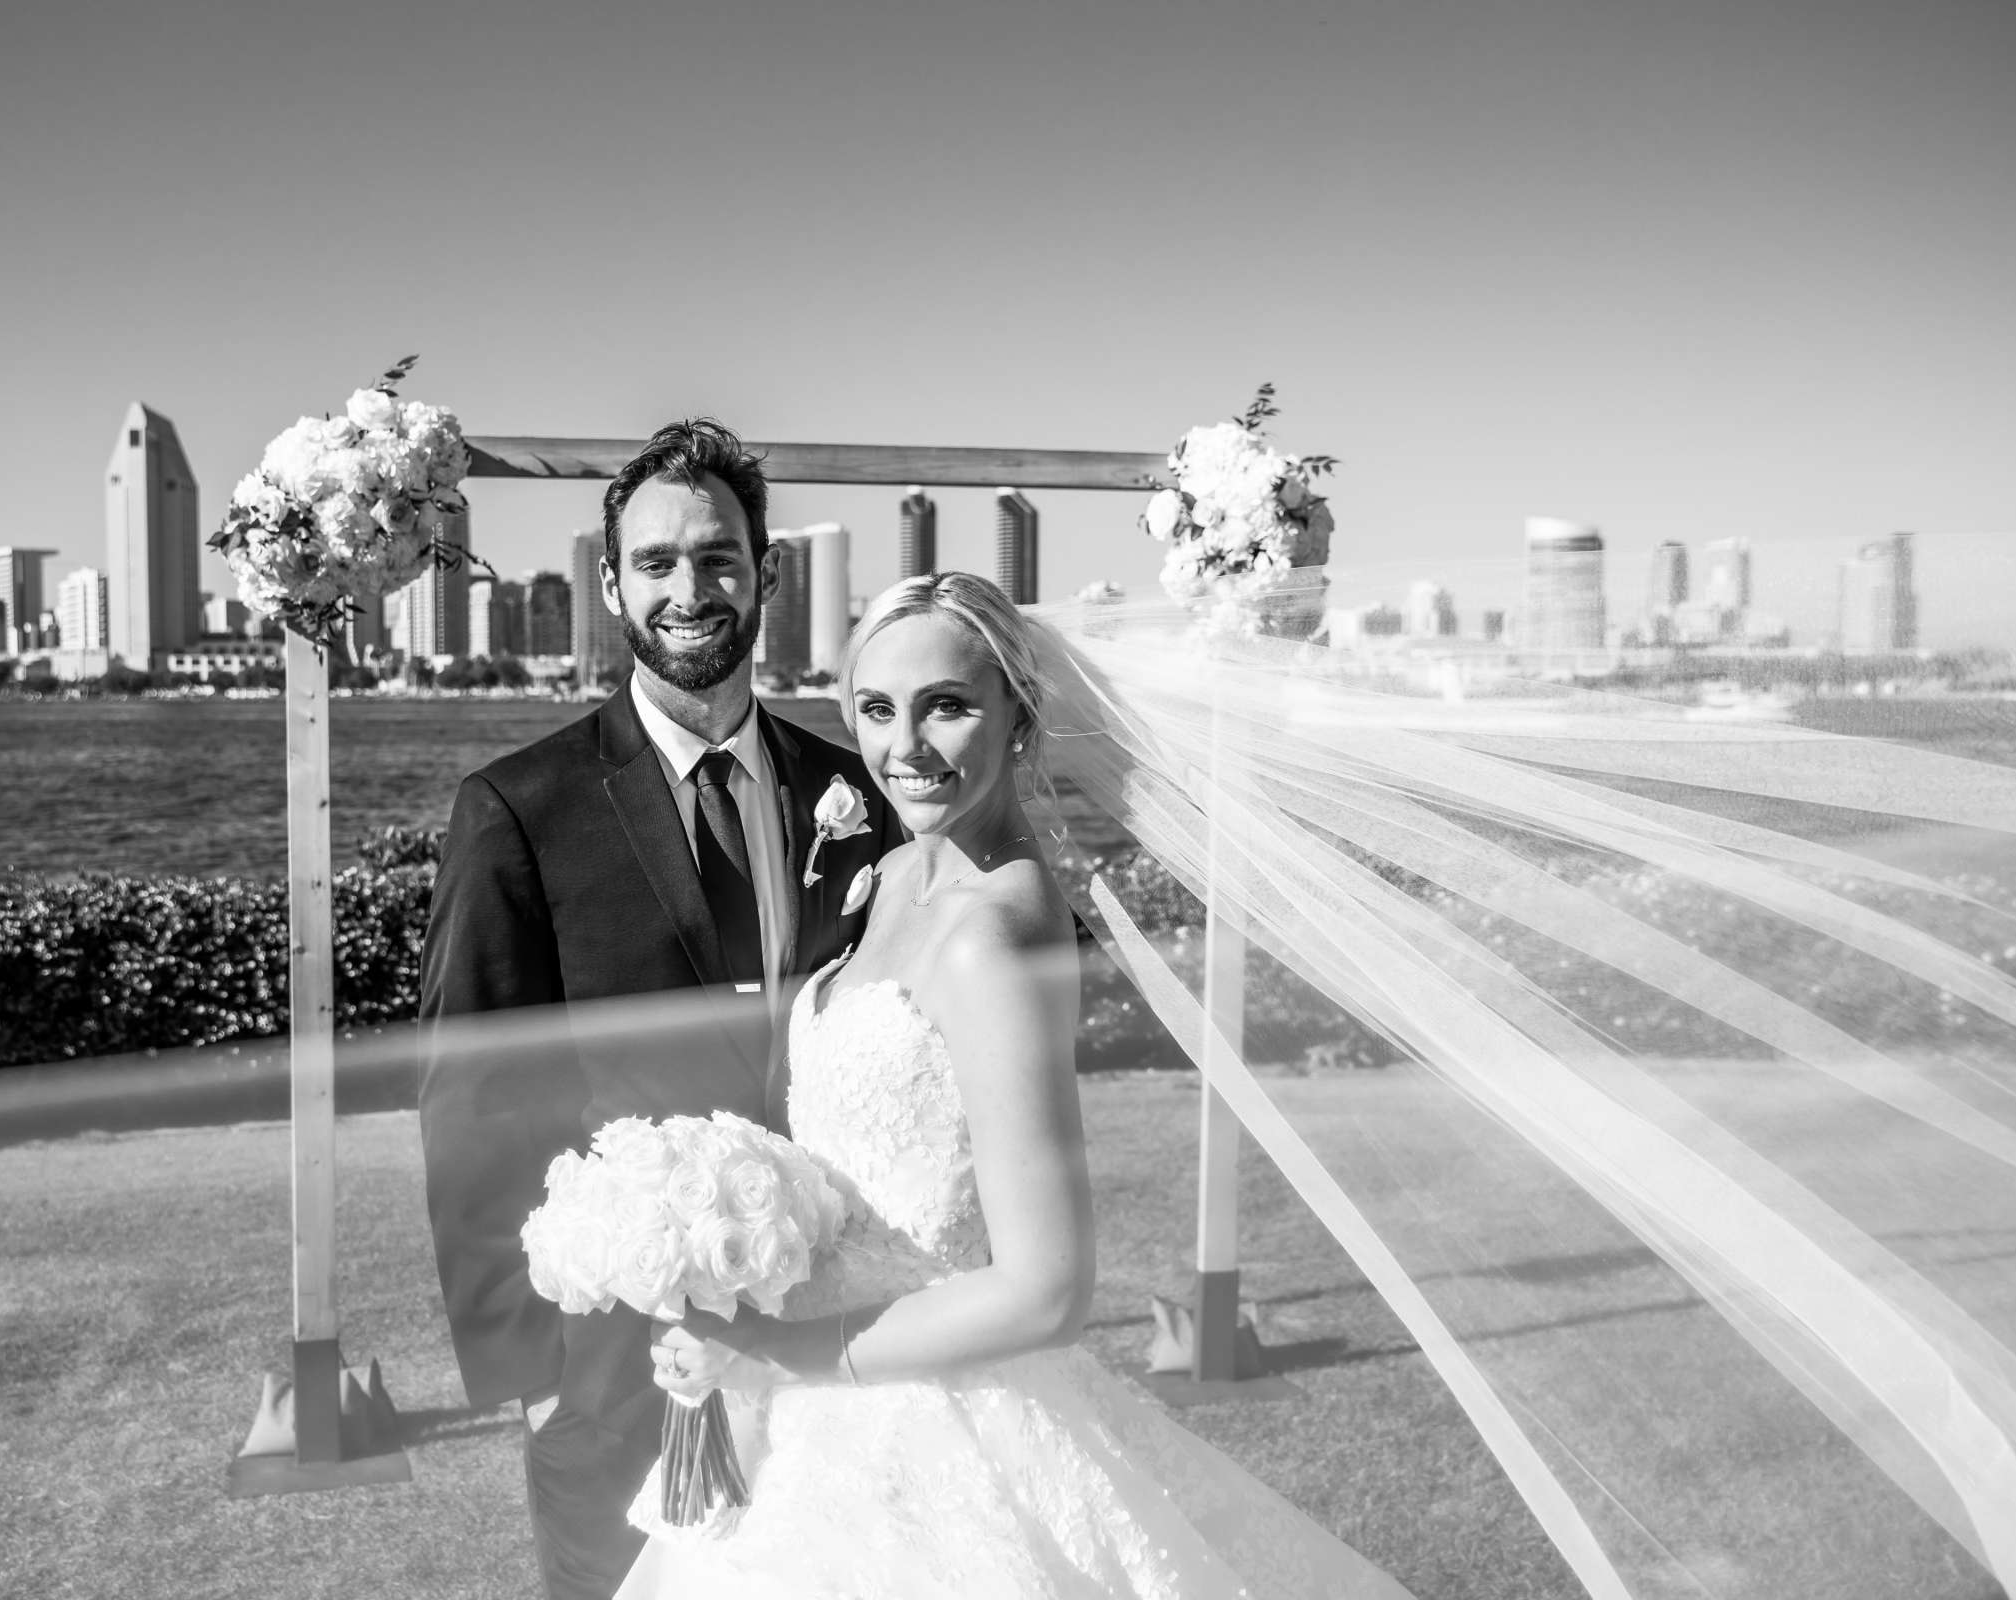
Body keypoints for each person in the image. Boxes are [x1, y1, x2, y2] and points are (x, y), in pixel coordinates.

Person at [626, 572, 1417, 1598]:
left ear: (1019, 710)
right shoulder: (904, 873)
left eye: (946, 706)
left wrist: (782, 1350)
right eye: (877, 709)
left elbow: (1046, 1289)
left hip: (919, 1423)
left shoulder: (993, 936)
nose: (904, 748)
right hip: (812, 1403)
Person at [417, 419, 904, 1600]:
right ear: (610, 584)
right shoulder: (517, 812)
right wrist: (536, 1378)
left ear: (765, 574)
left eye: (720, 558)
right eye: (658, 563)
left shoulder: (854, 793)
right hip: (613, 1376)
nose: (693, 589)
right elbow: (474, 1105)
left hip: (829, 1348)